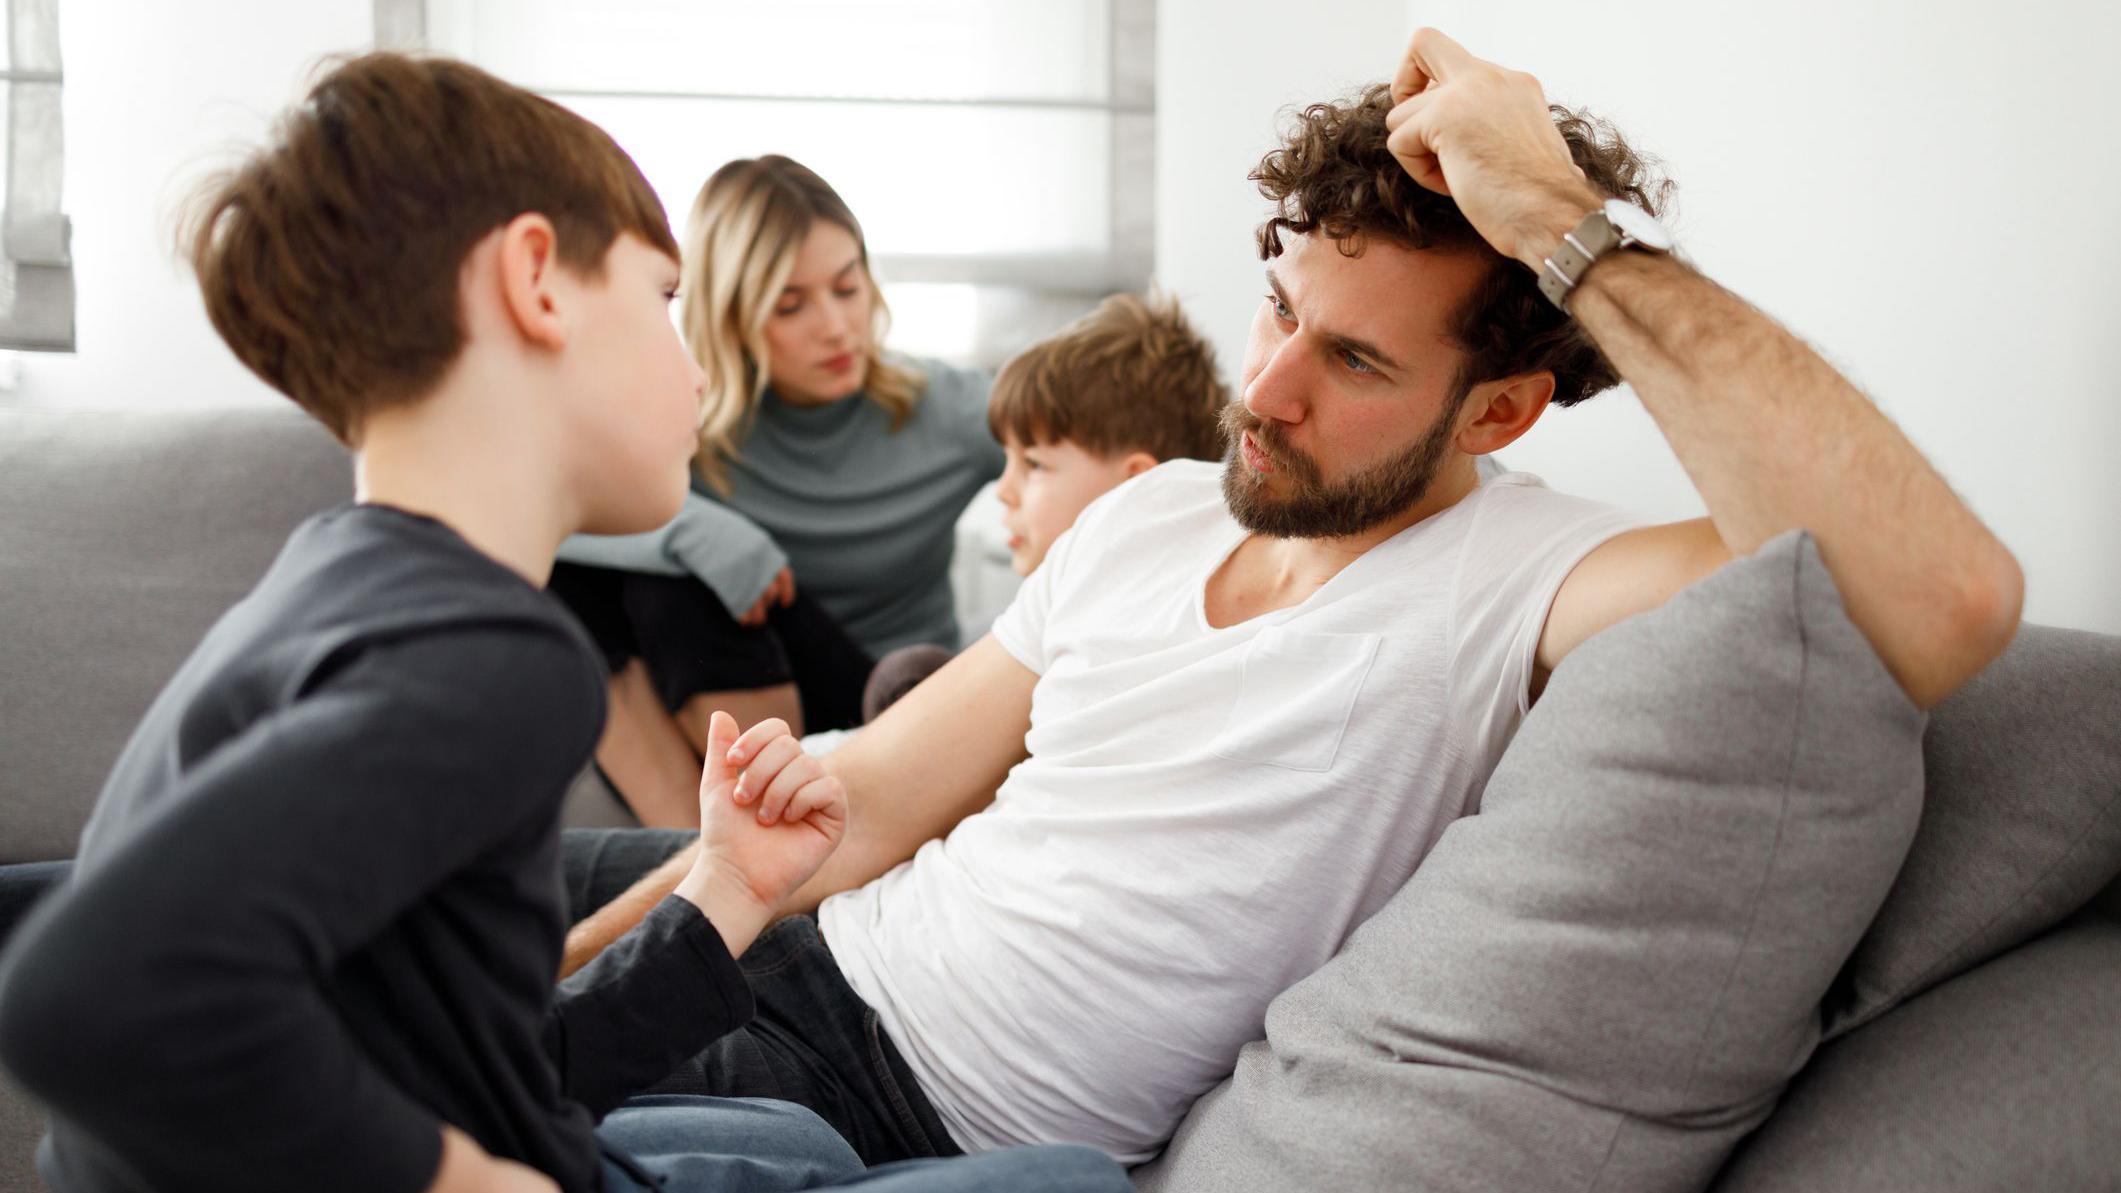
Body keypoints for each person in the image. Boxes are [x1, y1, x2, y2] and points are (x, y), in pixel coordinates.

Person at [564, 26, 2024, 1169]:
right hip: (781, 951)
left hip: (867, 1099)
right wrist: (592, 965)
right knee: (385, 916)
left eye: (1358, 364)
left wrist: (1562, 221)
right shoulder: (1144, 513)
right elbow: (868, 796)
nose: (1261, 392)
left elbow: (1942, 595)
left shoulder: (1523, 582)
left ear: (1500, 412)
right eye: (1280, 309)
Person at [0, 53, 1128, 1193]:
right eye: (662, 300)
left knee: (812, 1143)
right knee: (1074, 1178)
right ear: (538, 280)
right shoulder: (496, 655)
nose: (697, 375)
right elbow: (84, 992)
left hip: (500, 1121)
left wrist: (726, 885)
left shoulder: (330, 585)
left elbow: (495, 1067)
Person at [548, 156, 1004, 828]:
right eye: (790, 305)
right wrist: (705, 533)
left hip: (893, 703)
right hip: (754, 719)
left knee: (661, 570)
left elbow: (1106, 444)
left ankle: (724, 852)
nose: (835, 326)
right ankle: (689, 850)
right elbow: (536, 507)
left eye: (847, 289)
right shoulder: (689, 417)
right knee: (609, 570)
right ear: (731, 315)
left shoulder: (944, 408)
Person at [855, 291, 1232, 718]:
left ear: (1137, 486)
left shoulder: (1136, 640)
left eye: (1033, 464)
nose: (1003, 490)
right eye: (1008, 460)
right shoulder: (1053, 607)